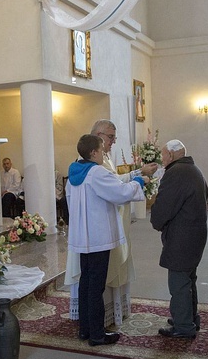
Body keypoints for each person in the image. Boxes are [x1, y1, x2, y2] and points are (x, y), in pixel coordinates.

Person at [65, 119, 157, 327]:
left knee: (87, 282)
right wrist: (140, 181)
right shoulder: (96, 171)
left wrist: (135, 174)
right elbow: (118, 191)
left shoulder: (74, 173)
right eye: (109, 138)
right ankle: (97, 334)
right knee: (96, 285)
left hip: (83, 236)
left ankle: (85, 329)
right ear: (95, 150)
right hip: (99, 237)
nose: (111, 143)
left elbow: (108, 184)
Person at [150, 140, 208, 339]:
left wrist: (156, 221)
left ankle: (184, 326)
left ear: (172, 155)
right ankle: (189, 318)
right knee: (188, 279)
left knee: (178, 283)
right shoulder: (194, 170)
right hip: (195, 234)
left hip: (182, 236)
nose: (162, 159)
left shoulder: (175, 173)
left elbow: (164, 205)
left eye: (164, 155)